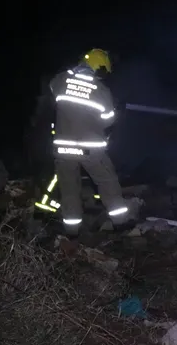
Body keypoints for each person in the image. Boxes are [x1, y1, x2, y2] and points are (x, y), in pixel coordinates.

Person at [46, 48, 130, 235]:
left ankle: (71, 231)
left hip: (63, 148)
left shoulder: (61, 80)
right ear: (99, 68)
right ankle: (121, 223)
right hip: (90, 149)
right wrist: (117, 110)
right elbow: (108, 119)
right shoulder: (101, 91)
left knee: (69, 189)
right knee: (107, 182)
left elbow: (53, 89)